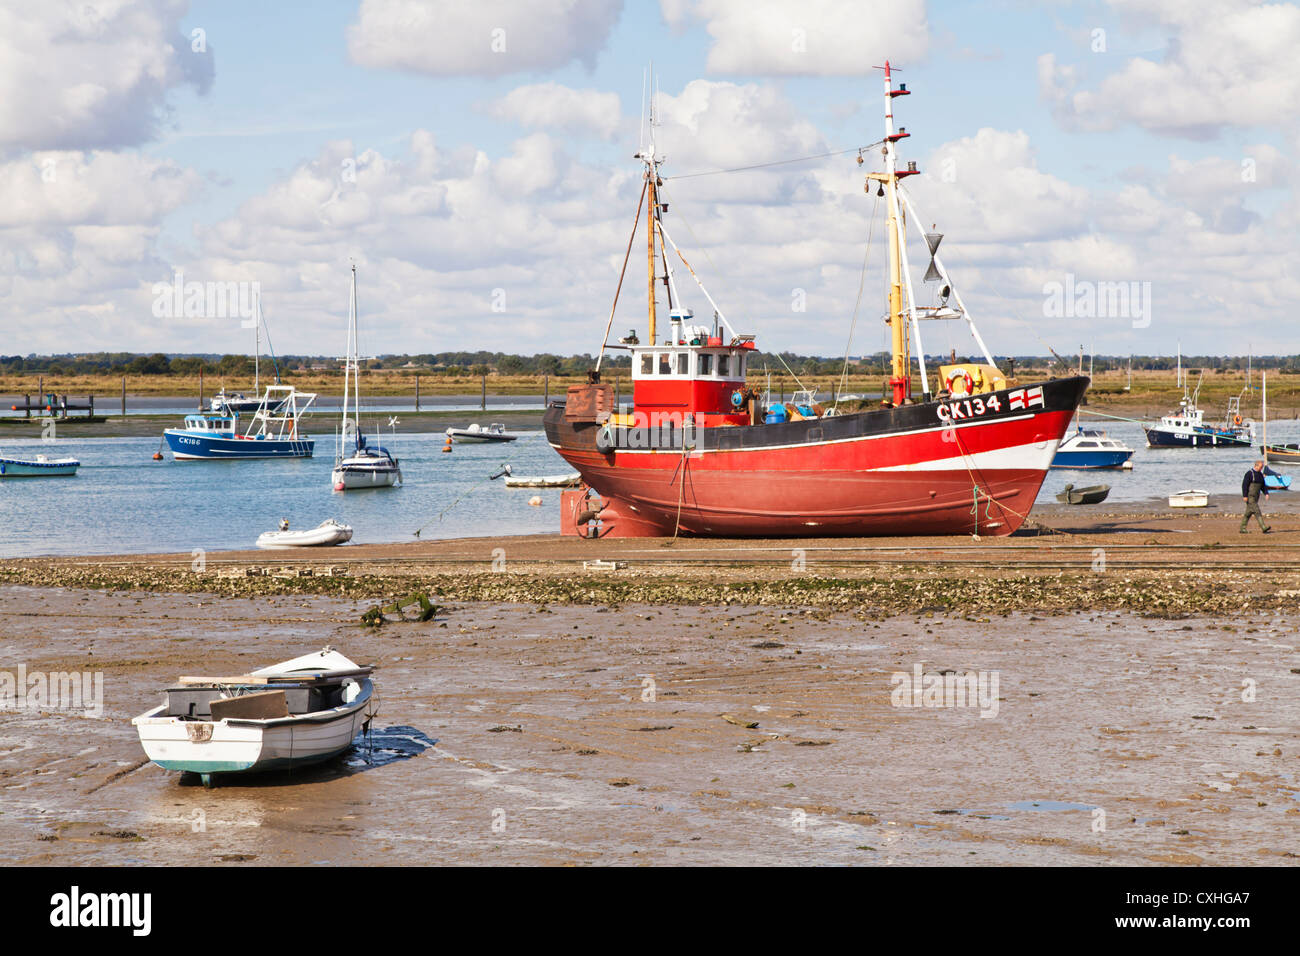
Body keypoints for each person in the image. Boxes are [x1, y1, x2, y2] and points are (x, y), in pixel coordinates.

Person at [1240, 461, 1272, 534]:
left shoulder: (1260, 475)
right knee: (1257, 511)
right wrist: (1244, 495)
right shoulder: (1249, 473)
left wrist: (1266, 493)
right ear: (1256, 466)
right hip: (1250, 496)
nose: (1261, 469)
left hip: (1256, 496)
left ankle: (1242, 528)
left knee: (1248, 512)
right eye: (1261, 467)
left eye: (1262, 467)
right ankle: (1263, 527)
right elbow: (1244, 485)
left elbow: (1263, 486)